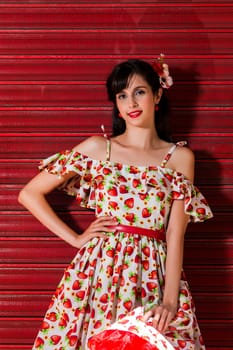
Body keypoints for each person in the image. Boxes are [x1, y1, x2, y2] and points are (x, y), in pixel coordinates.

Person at [18, 55, 213, 350]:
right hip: (99, 272)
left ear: (158, 94)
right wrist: (75, 238)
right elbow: (29, 194)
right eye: (122, 95)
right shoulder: (99, 148)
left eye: (139, 92)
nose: (131, 103)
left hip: (153, 275)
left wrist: (171, 301)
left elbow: (175, 233)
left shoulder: (180, 158)